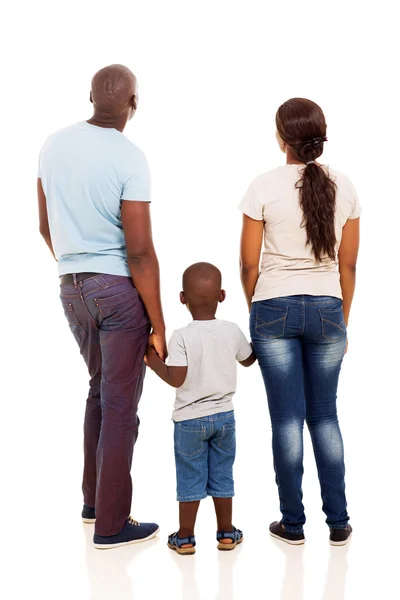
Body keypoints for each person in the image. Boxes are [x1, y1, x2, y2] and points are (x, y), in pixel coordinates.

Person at [38, 64, 166, 549]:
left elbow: (45, 223)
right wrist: (157, 319)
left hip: (71, 286)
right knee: (119, 406)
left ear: (90, 95)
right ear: (134, 104)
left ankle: (94, 503)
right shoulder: (131, 157)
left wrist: (77, 271)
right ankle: (113, 524)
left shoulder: (52, 144)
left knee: (98, 392)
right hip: (116, 292)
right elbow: (139, 251)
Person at [239, 98, 360, 546]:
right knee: (325, 417)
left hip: (274, 307)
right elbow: (348, 267)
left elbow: (248, 264)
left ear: (280, 137)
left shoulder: (263, 187)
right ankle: (339, 523)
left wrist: (257, 309)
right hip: (328, 308)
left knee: (287, 421)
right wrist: (342, 323)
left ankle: (292, 524)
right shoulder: (344, 186)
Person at [145, 262, 256, 555]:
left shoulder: (181, 336)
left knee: (190, 476)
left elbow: (176, 377)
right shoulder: (231, 330)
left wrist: (153, 362)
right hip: (225, 418)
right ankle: (227, 533)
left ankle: (184, 537)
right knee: (222, 474)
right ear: (222, 295)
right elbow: (248, 359)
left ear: (182, 298)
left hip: (189, 422)